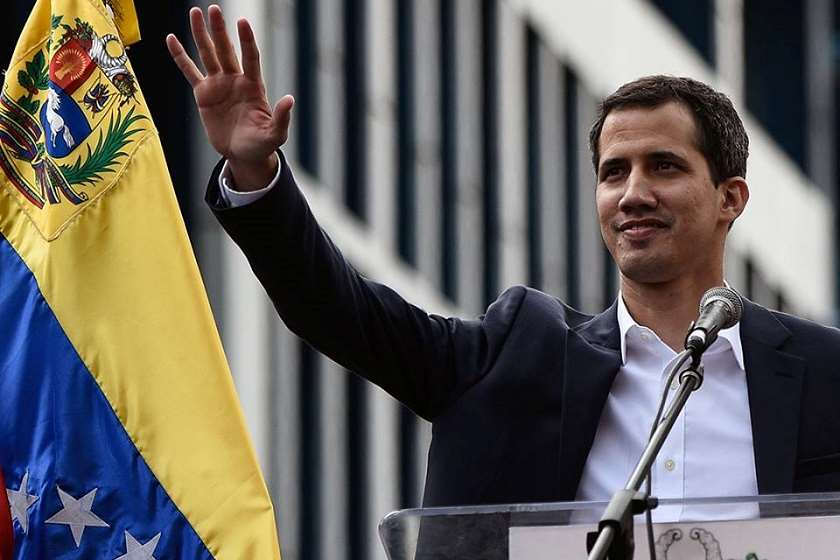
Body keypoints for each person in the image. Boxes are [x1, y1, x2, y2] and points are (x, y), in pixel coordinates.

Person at [166, 6, 840, 513]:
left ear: (729, 198)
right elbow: (337, 311)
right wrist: (255, 175)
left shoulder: (825, 374)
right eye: (613, 172)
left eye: (663, 166)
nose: (633, 193)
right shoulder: (517, 354)